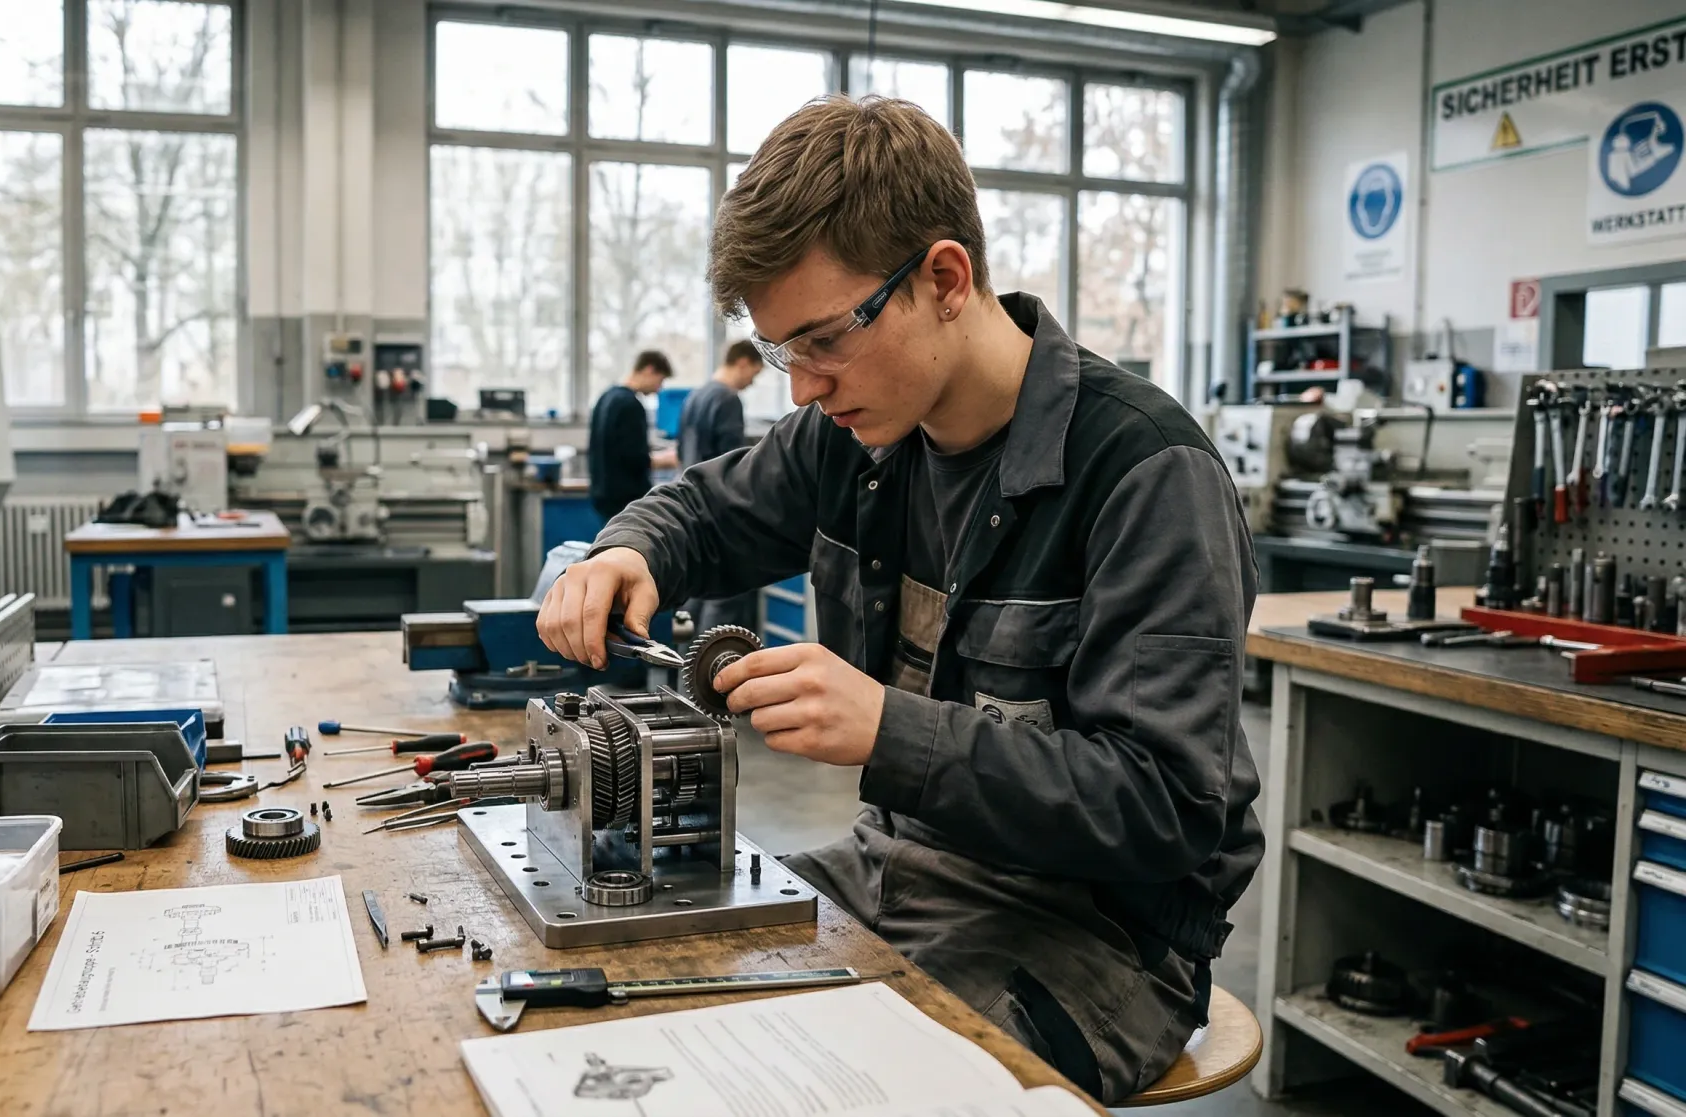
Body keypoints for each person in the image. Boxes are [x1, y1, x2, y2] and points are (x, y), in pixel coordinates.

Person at [536, 95, 1261, 1103]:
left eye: (823, 340)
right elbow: (704, 509)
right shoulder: (855, 436)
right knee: (625, 1015)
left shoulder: (1143, 474)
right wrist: (627, 551)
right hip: (890, 872)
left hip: (1091, 938)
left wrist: (890, 729)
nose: (800, 388)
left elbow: (1163, 809)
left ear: (944, 278)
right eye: (783, 350)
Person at [678, 340, 766, 631]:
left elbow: (681, 451)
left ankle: (685, 670)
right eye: (753, 374)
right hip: (721, 513)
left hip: (694, 508)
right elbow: (733, 466)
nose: (751, 383)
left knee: (697, 596)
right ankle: (711, 672)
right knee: (724, 602)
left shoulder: (696, 396)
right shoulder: (728, 399)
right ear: (742, 362)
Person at [586, 350, 674, 523]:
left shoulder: (606, 397)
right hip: (626, 501)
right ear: (649, 370)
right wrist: (666, 460)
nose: (659, 389)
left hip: (603, 496)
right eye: (661, 380)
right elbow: (635, 458)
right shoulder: (630, 405)